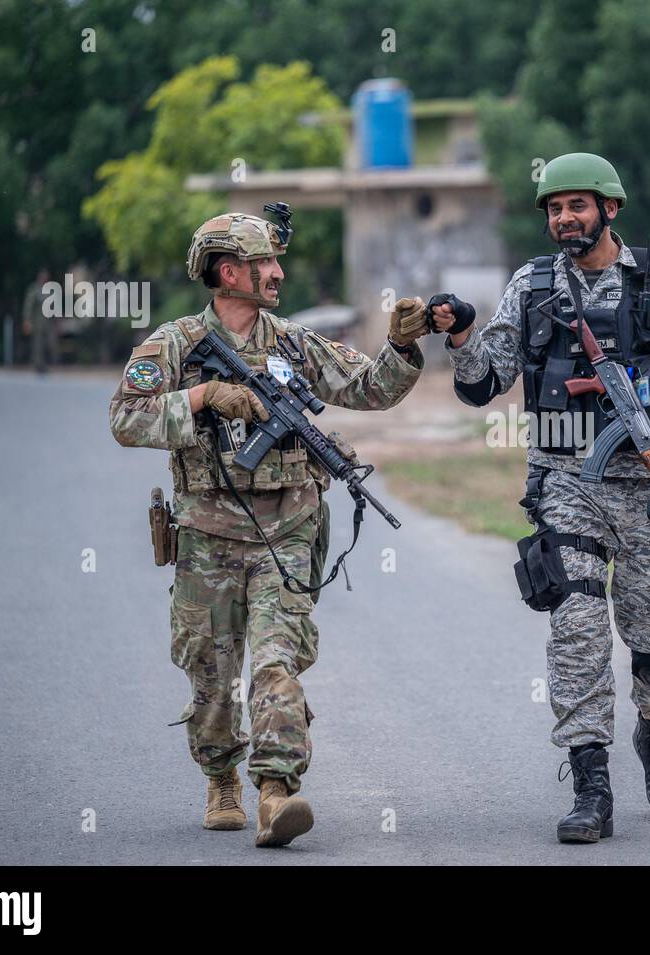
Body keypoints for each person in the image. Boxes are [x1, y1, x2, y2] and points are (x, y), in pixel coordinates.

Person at [109, 208, 430, 847]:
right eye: (266, 265)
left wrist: (401, 345)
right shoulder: (173, 344)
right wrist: (201, 399)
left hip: (286, 532)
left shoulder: (294, 343)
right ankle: (220, 775)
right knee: (211, 673)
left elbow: (370, 388)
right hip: (205, 538)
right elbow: (125, 418)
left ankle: (276, 791)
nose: (278, 274)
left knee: (276, 661)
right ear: (228, 273)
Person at [434, 153, 650, 843]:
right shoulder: (532, 286)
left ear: (609, 209)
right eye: (554, 208)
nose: (564, 217)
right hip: (567, 485)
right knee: (577, 630)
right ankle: (591, 782)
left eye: (577, 205)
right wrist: (461, 334)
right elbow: (484, 383)